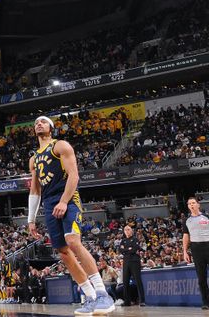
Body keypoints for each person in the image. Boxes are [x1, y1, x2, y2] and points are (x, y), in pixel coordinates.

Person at [27, 115, 115, 315]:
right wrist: (31, 219)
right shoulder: (33, 159)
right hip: (49, 203)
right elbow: (35, 190)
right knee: (63, 251)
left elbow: (74, 175)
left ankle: (103, 295)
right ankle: (90, 297)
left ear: (51, 128)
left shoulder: (60, 146)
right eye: (36, 123)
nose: (38, 124)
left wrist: (64, 201)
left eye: (42, 122)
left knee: (73, 241)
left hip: (68, 198)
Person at [183, 196, 209, 310]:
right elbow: (185, 236)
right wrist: (185, 251)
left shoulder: (207, 217)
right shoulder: (186, 221)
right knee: (201, 277)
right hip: (196, 249)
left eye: (193, 203)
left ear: (198, 205)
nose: (192, 205)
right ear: (188, 206)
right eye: (189, 204)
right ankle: (205, 302)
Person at [118, 225, 144, 306]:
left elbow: (134, 249)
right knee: (125, 282)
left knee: (138, 281)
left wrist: (126, 250)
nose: (127, 231)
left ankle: (142, 300)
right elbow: (120, 250)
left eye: (128, 229)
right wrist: (128, 249)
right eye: (125, 230)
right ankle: (127, 301)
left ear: (131, 231)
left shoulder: (135, 239)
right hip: (126, 262)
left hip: (134, 261)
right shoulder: (123, 240)